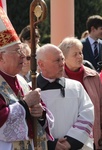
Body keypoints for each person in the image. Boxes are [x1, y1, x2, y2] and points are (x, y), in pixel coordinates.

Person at [0, 7, 54, 150]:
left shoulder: (22, 81)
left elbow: (41, 111)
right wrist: (24, 104)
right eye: (17, 51)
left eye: (22, 51)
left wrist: (41, 114)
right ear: (1, 57)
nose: (23, 56)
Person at [36, 43, 94, 150]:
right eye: (57, 60)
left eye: (62, 59)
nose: (62, 64)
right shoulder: (30, 90)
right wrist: (51, 144)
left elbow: (87, 113)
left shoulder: (75, 87)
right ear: (41, 64)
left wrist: (70, 141)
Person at [59, 37, 102, 150]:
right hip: (68, 138)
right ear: (64, 57)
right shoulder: (58, 78)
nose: (79, 57)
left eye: (80, 53)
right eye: (75, 54)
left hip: (94, 136)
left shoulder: (93, 76)